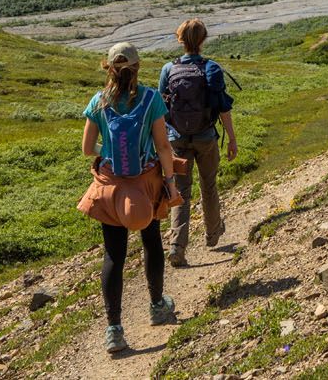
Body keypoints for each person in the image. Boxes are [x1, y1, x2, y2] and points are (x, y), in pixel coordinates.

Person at [77, 41, 182, 355]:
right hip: (146, 183)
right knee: (151, 241)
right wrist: (170, 184)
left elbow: (86, 149)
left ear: (108, 68)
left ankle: (114, 329)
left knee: (114, 255)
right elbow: (164, 147)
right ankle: (157, 306)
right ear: (137, 68)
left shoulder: (98, 101)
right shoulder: (150, 99)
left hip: (110, 186)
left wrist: (108, 155)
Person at [158, 19, 238, 268]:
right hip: (206, 137)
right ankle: (212, 234)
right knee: (209, 185)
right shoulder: (211, 68)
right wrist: (232, 139)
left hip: (177, 139)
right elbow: (223, 108)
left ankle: (176, 246)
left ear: (180, 40)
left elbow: (161, 109)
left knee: (180, 191)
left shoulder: (168, 70)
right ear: (203, 40)